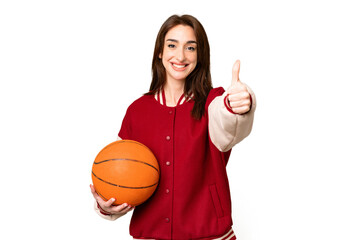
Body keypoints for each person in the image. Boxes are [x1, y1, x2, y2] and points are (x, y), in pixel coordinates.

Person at [90, 14, 256, 240]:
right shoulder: (137, 111)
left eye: (191, 47)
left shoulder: (212, 102)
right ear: (160, 51)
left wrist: (237, 102)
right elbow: (125, 174)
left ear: (200, 55)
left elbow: (227, 119)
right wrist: (107, 205)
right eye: (172, 45)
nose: (180, 56)